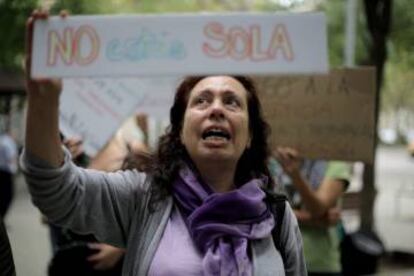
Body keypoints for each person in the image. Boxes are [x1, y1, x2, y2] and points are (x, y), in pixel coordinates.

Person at [21, 10, 306, 276]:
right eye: (202, 100)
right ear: (181, 131)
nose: (216, 109)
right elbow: (56, 192)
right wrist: (44, 101)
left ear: (249, 137)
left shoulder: (278, 216)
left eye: (231, 102)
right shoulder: (142, 198)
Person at [271, 147, 351, 276]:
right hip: (278, 259)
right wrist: (315, 220)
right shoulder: (272, 159)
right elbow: (264, 208)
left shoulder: (335, 163)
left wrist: (295, 175)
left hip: (319, 263)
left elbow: (317, 208)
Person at [0, 131, 18, 219]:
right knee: (8, 195)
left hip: (2, 171)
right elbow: (11, 157)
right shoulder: (8, 142)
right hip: (6, 172)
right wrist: (14, 170)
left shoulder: (3, 140)